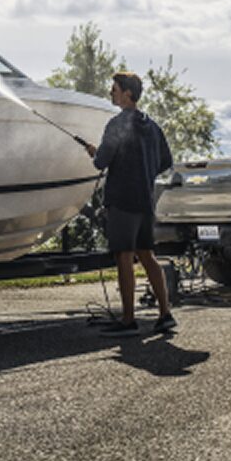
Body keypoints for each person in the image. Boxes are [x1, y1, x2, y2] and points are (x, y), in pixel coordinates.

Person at [82, 71, 176, 337]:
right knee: (147, 255)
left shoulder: (117, 124)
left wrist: (94, 152)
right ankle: (165, 314)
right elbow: (166, 161)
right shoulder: (152, 125)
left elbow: (102, 162)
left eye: (114, 89)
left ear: (127, 94)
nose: (110, 93)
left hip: (122, 200)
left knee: (124, 256)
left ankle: (128, 320)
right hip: (145, 200)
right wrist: (144, 172)